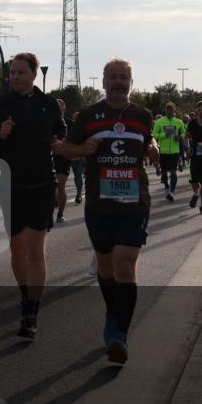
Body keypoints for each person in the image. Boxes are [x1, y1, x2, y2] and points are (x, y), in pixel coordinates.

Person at [54, 57, 158, 364]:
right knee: (105, 268)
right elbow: (67, 149)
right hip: (99, 205)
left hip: (134, 203)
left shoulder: (142, 115)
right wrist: (82, 150)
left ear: (130, 83)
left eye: (123, 78)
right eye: (112, 77)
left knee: (125, 267)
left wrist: (151, 147)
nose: (118, 82)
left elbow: (146, 136)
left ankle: (118, 335)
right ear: (103, 82)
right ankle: (113, 313)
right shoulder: (88, 116)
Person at [0, 52, 65, 341]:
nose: (14, 77)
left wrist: (60, 144)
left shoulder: (48, 104)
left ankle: (31, 311)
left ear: (33, 74)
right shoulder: (1, 105)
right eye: (12, 73)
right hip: (11, 185)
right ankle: (25, 295)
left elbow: (61, 135)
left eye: (20, 72)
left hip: (42, 183)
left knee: (34, 248)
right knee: (16, 247)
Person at [151, 102, 186, 202]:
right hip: (163, 151)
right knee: (164, 174)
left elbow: (184, 133)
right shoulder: (159, 122)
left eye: (171, 109)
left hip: (174, 151)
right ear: (165, 110)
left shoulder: (179, 122)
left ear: (175, 110)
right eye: (167, 109)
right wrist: (164, 135)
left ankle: (171, 192)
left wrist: (179, 137)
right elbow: (154, 135)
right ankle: (167, 187)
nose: (169, 110)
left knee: (173, 173)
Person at [53, 99, 74, 223]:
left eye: (60, 106)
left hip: (64, 157)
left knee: (61, 184)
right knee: (52, 186)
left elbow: (76, 141)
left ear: (64, 108)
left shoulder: (70, 123)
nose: (58, 108)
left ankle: (60, 213)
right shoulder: (48, 122)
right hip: (50, 157)